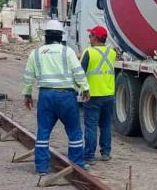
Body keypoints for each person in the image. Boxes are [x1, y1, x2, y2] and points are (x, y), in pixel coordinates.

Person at [23, 19, 90, 174]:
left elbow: (28, 76)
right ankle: (77, 164)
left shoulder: (36, 53)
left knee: (43, 131)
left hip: (45, 95)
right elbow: (78, 72)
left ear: (46, 36)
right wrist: (85, 88)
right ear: (61, 36)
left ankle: (41, 167)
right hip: (66, 96)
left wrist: (27, 94)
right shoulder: (68, 52)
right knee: (74, 131)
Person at [80, 25, 117, 163]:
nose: (89, 38)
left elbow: (80, 73)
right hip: (108, 94)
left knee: (91, 126)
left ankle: (89, 156)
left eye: (90, 35)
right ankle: (106, 153)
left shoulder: (88, 52)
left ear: (95, 37)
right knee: (106, 125)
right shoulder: (111, 52)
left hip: (92, 95)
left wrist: (81, 89)